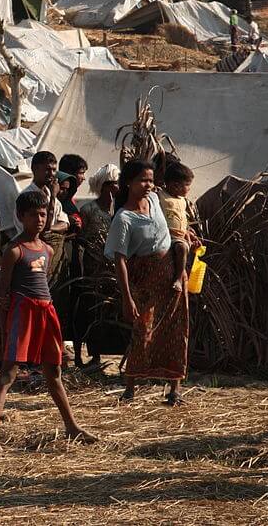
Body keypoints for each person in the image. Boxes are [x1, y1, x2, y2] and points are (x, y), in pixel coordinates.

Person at [0, 191, 94, 449]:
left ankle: (71, 426)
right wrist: (4, 327)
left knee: (53, 371)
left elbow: (43, 283)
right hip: (23, 312)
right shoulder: (14, 250)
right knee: (8, 372)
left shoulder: (47, 249)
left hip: (46, 311)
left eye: (43, 214)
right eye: (33, 215)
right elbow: (3, 294)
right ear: (21, 217)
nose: (40, 219)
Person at [105, 160, 188, 405]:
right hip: (145, 279)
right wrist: (126, 297)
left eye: (151, 180)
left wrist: (185, 237)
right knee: (143, 331)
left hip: (172, 275)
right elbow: (119, 260)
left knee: (177, 328)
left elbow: (170, 228)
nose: (148, 185)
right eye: (143, 180)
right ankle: (130, 388)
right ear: (128, 183)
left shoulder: (154, 201)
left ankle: (174, 389)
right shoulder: (124, 219)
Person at [73, 164, 120, 368]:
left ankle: (107, 352)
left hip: (114, 270)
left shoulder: (119, 211)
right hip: (94, 270)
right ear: (105, 186)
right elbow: (80, 240)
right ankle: (90, 355)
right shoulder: (89, 210)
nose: (117, 188)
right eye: (113, 184)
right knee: (91, 310)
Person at [158, 161, 200, 293]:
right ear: (175, 185)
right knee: (181, 247)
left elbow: (182, 219)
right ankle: (178, 278)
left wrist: (190, 232)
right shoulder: (161, 195)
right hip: (168, 235)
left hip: (182, 235)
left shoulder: (183, 201)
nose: (189, 188)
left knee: (192, 248)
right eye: (187, 185)